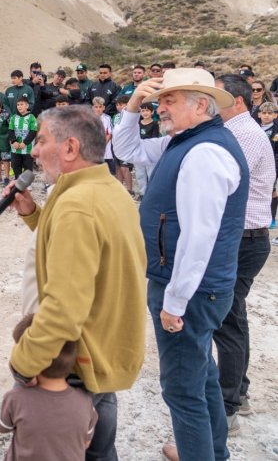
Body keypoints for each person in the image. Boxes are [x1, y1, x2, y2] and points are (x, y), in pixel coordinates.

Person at [112, 69, 248, 461]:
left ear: (201, 105)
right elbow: (126, 149)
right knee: (202, 376)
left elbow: (198, 237)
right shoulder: (184, 141)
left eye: (170, 100)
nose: (161, 107)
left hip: (190, 290)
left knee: (182, 390)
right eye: (160, 100)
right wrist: (134, 106)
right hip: (194, 288)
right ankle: (213, 452)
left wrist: (175, 300)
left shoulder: (204, 152)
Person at [6, 105, 146, 461]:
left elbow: (64, 308)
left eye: (40, 141)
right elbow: (80, 254)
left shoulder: (77, 205)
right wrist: (32, 214)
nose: (34, 151)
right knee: (100, 450)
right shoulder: (107, 189)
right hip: (101, 353)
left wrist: (24, 362)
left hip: (72, 364)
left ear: (69, 148)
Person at [211, 75, 275, 437]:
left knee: (227, 321)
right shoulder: (239, 131)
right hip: (245, 238)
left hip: (243, 240)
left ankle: (228, 407)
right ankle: (241, 391)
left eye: (216, 95)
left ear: (235, 100)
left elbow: (222, 181)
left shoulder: (244, 136)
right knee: (234, 317)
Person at [0, 313, 98, 461]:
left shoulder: (15, 398)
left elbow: (2, 428)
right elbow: (86, 443)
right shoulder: (86, 403)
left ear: (31, 363)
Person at [9, 97, 37, 180]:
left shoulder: (32, 117)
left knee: (27, 165)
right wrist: (14, 141)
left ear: (27, 106)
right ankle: (18, 180)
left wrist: (25, 143)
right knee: (16, 165)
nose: (19, 106)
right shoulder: (13, 118)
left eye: (22, 104)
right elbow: (10, 131)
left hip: (27, 147)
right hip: (15, 147)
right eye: (18, 104)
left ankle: (27, 183)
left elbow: (33, 132)